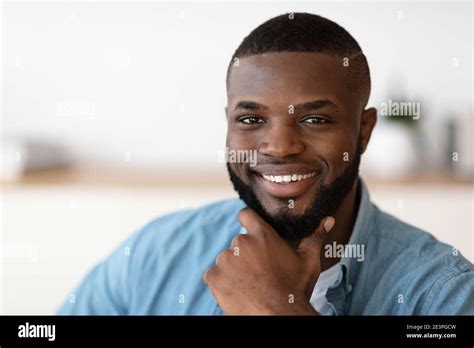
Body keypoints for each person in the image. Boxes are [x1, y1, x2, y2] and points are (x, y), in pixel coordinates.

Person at [57, 12, 474, 315]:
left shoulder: (443, 295)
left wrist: (278, 310)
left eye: (314, 119)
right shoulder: (156, 255)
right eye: (251, 119)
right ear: (228, 124)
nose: (279, 147)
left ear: (363, 131)